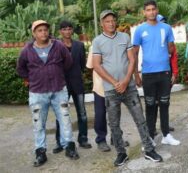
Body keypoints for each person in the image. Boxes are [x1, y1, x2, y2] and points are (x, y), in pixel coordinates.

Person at [92, 10, 162, 166]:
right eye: (107, 21)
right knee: (114, 124)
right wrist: (114, 82)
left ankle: (149, 149)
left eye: (113, 20)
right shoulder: (97, 41)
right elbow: (97, 65)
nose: (111, 23)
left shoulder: (125, 37)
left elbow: (132, 59)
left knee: (140, 119)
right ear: (102, 23)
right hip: (111, 90)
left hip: (129, 87)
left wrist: (125, 81)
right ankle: (121, 153)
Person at [16, 20, 79, 167]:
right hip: (37, 92)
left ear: (48, 31)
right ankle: (40, 152)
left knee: (65, 120)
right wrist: (31, 79)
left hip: (59, 90)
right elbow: (21, 69)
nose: (43, 33)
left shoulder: (58, 46)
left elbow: (68, 62)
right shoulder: (27, 50)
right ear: (34, 33)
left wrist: (57, 73)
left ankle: (69, 147)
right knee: (38, 123)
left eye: (45, 30)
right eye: (39, 30)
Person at [133, 0, 180, 146]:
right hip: (148, 74)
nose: (151, 12)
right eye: (148, 10)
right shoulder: (140, 30)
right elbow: (134, 53)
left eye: (153, 9)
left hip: (164, 72)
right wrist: (136, 74)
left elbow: (172, 48)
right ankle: (150, 137)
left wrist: (166, 51)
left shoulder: (166, 28)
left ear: (157, 10)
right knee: (150, 105)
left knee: (165, 104)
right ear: (144, 12)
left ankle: (166, 134)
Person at [52, 21, 92, 154]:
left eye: (69, 29)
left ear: (72, 31)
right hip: (61, 85)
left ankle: (83, 138)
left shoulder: (79, 45)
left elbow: (82, 65)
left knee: (82, 113)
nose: (67, 32)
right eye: (64, 29)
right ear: (60, 32)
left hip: (77, 84)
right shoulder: (55, 45)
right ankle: (60, 142)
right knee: (61, 115)